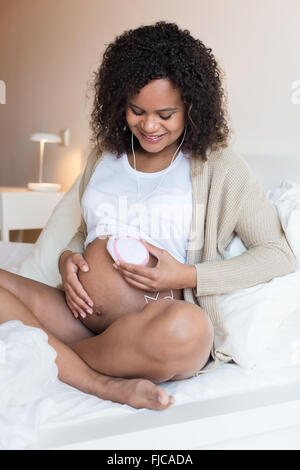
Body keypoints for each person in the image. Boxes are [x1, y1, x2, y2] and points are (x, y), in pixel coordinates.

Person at [0, 22, 296, 411]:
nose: (149, 126)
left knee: (190, 331)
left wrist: (187, 276)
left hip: (152, 328)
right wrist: (66, 260)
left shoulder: (220, 166)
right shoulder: (104, 156)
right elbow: (89, 232)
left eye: (166, 114)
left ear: (192, 105)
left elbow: (278, 253)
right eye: (137, 111)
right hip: (78, 315)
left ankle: (55, 355)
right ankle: (92, 375)